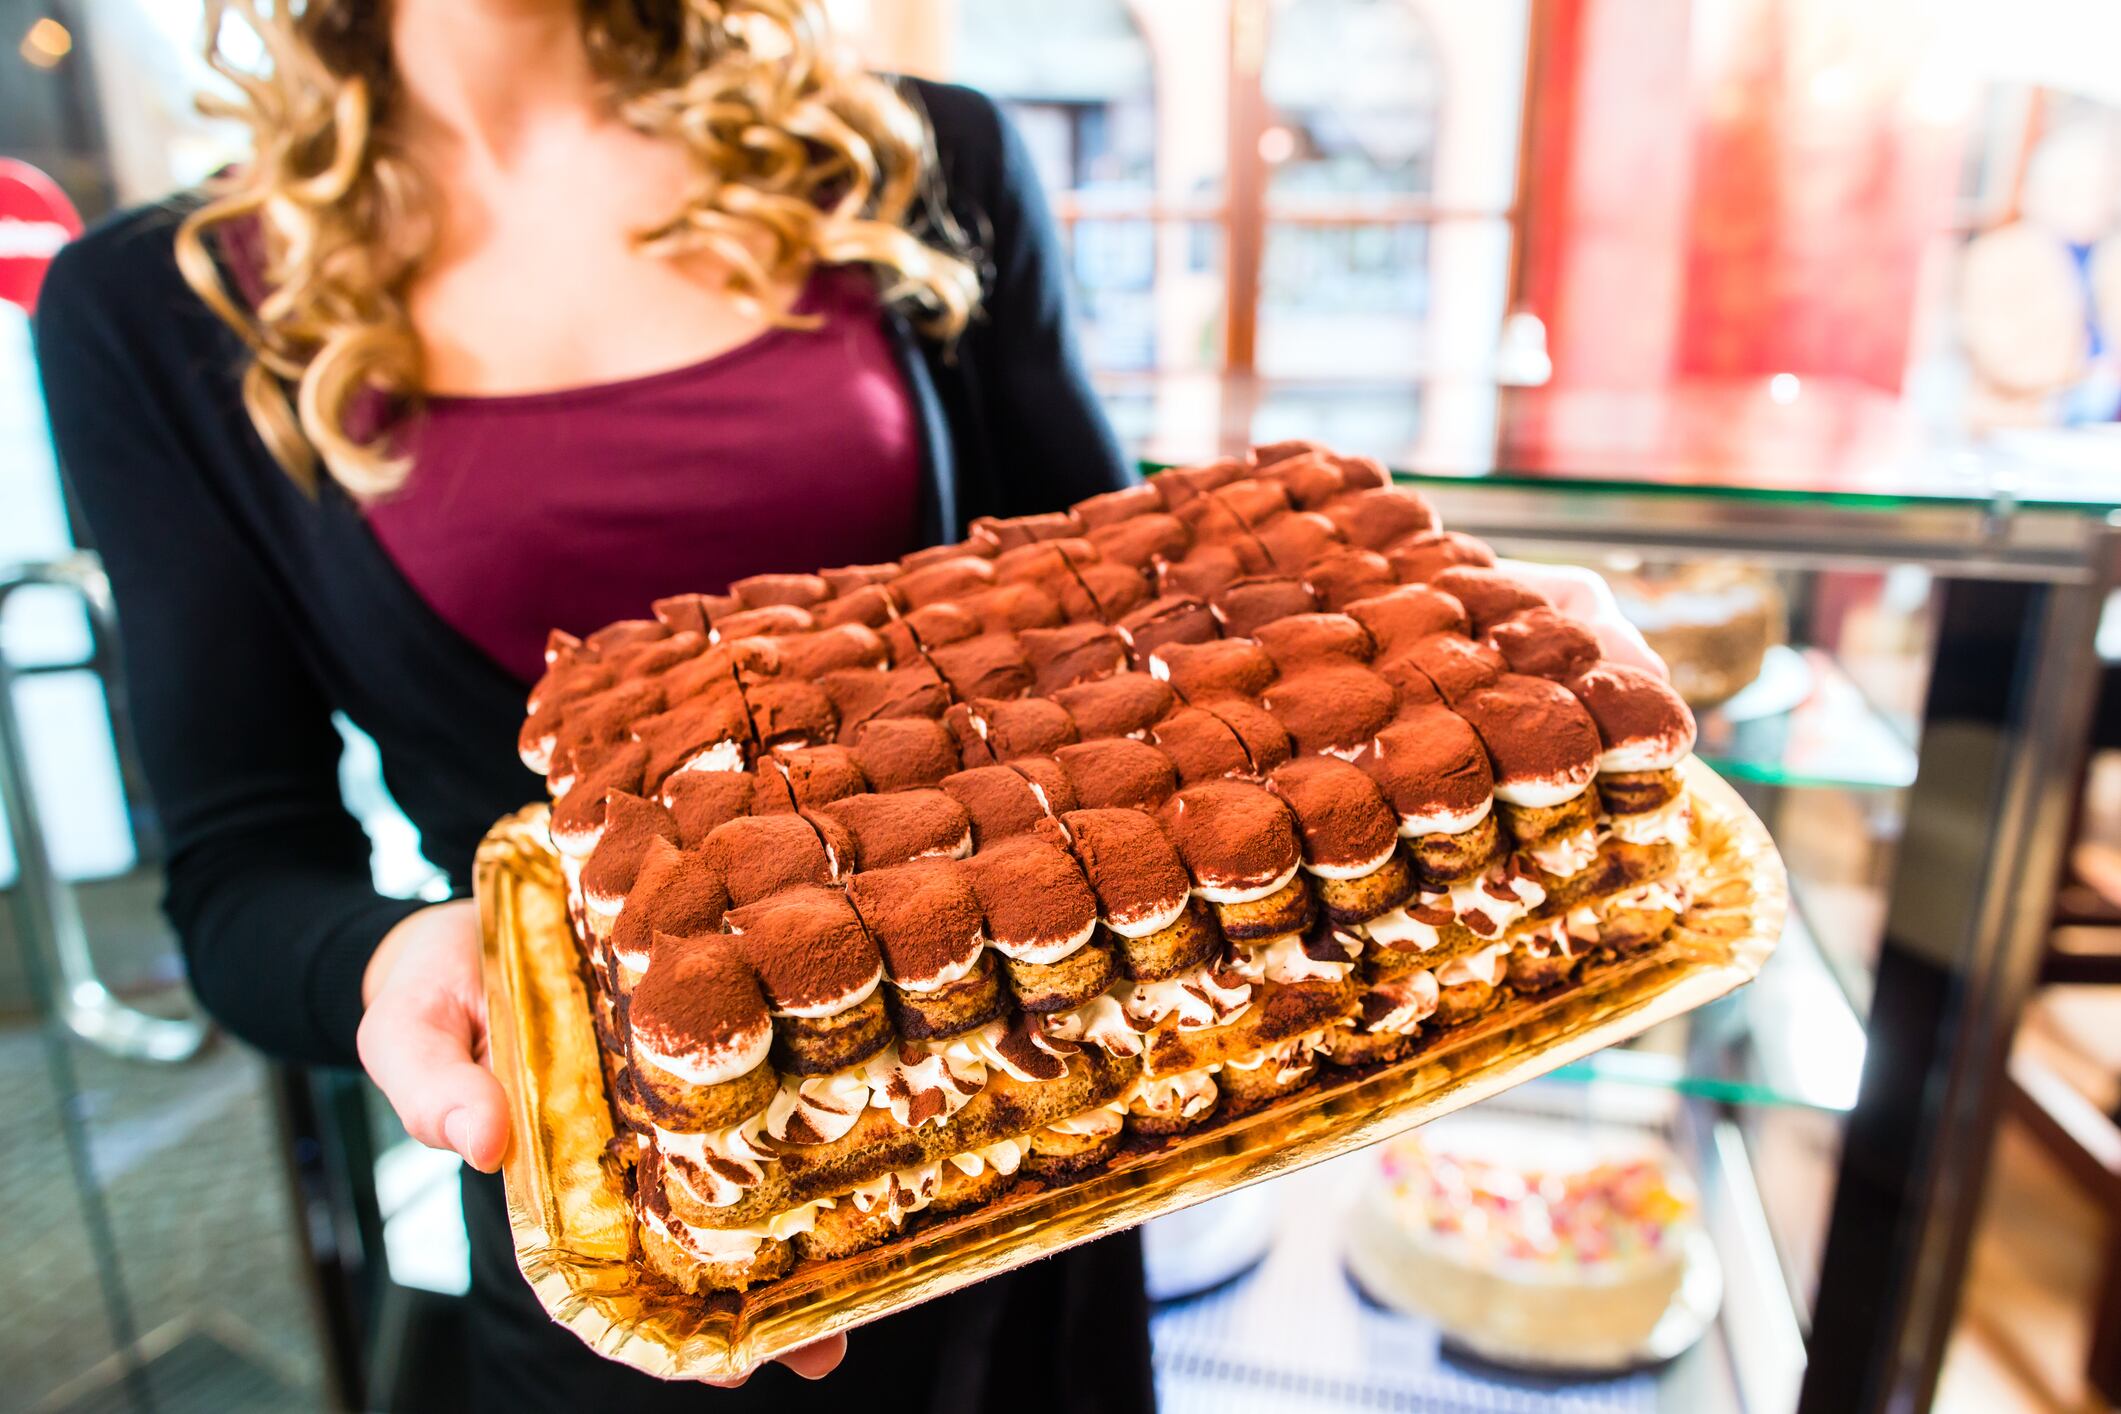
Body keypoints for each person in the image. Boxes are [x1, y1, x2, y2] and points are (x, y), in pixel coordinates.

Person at [35, 2, 1148, 1409]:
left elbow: (1108, 647)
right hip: (639, 1224)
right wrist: (404, 963)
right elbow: (240, 869)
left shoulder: (915, 160)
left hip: (1035, 1153)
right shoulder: (155, 307)